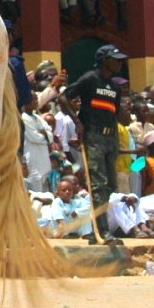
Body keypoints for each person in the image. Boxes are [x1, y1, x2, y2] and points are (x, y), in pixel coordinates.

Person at [59, 45, 127, 243]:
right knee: (98, 184)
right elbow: (64, 97)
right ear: (104, 60)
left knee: (110, 185)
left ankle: (94, 228)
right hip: (93, 136)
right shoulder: (90, 79)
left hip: (110, 137)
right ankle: (102, 231)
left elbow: (115, 114)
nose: (120, 63)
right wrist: (78, 123)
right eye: (116, 59)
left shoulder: (115, 87)